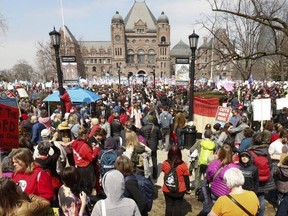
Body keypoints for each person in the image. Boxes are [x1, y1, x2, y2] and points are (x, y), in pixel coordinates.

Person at [162, 145, 191, 216]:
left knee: (168, 206)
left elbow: (164, 171)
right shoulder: (183, 165)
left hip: (167, 189)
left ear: (169, 154)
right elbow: (186, 178)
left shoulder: (165, 164)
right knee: (178, 206)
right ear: (179, 154)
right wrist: (188, 189)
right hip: (180, 190)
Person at [72, 126, 100, 198]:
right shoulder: (84, 146)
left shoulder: (75, 143)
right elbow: (91, 158)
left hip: (79, 166)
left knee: (81, 187)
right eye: (87, 134)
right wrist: (96, 149)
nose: (88, 136)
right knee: (87, 188)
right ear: (84, 135)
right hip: (86, 168)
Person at [141, 114, 162, 180]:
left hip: (146, 147)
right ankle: (155, 175)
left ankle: (145, 175)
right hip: (153, 146)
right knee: (154, 160)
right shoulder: (156, 128)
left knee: (145, 160)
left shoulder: (143, 128)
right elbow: (160, 137)